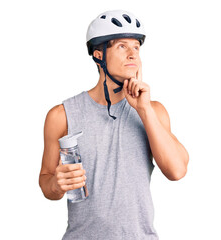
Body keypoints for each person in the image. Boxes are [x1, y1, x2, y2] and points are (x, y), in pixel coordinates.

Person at [39, 10, 189, 240]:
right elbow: (46, 181)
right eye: (122, 46)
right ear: (99, 55)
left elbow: (177, 171)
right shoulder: (62, 115)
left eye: (136, 47)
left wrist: (144, 109)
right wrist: (57, 185)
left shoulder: (154, 111)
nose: (133, 55)